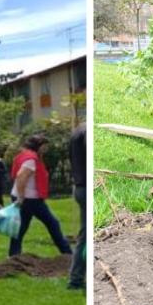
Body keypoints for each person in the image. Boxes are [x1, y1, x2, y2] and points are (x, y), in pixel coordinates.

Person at [9, 134, 72, 257]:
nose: (46, 148)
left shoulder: (26, 156)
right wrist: (21, 198)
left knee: (21, 228)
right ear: (38, 146)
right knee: (52, 223)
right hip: (29, 200)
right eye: (44, 146)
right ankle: (67, 253)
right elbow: (21, 177)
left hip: (27, 198)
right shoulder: (31, 160)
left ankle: (14, 255)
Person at [67, 123, 87, 290]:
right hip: (86, 188)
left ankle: (77, 278)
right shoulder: (86, 131)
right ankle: (76, 279)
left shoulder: (76, 132)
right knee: (86, 237)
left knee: (85, 235)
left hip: (80, 187)